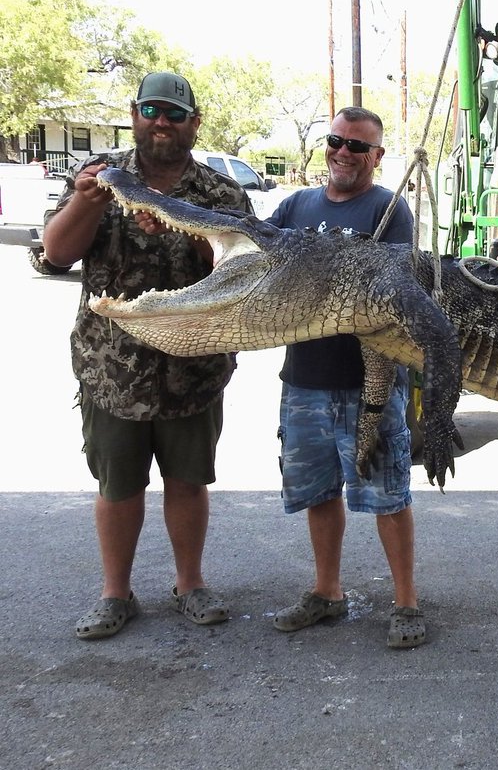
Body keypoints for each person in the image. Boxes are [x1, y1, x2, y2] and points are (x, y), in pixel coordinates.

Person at [43, 71, 253, 640]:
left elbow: (242, 275)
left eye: (175, 113)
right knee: (118, 485)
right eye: (152, 110)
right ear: (135, 114)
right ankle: (116, 594)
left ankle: (190, 584)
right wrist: (88, 203)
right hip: (111, 368)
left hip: (194, 367)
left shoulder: (221, 194)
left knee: (188, 481)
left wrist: (182, 227)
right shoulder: (98, 177)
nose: (162, 122)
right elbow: (57, 253)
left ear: (194, 122)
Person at [266, 106, 426, 649]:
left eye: (358, 147)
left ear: (376, 157)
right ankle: (326, 591)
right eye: (337, 141)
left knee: (388, 493)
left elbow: (391, 293)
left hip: (370, 385)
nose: (344, 153)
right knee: (318, 491)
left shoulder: (389, 212)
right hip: (304, 379)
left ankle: (406, 602)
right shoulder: (293, 206)